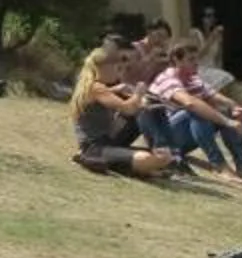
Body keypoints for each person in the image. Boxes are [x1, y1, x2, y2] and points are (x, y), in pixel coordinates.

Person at [68, 35, 174, 180]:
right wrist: (138, 93)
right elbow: (128, 109)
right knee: (158, 159)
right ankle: (95, 161)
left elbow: (100, 100)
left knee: (161, 159)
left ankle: (121, 165)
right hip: (95, 148)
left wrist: (117, 90)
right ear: (103, 68)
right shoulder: (97, 88)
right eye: (117, 68)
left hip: (106, 143)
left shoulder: (92, 86)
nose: (119, 72)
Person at [149, 39, 242, 181]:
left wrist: (235, 107)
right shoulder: (167, 79)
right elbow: (190, 103)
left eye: (196, 58)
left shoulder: (192, 78)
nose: (196, 62)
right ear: (177, 60)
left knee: (222, 111)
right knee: (197, 111)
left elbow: (212, 94)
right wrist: (227, 122)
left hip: (182, 134)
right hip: (165, 137)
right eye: (191, 59)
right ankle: (219, 166)